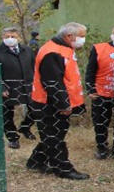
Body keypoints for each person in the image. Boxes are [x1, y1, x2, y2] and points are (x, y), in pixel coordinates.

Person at [26, 22, 89, 180]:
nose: (83, 39)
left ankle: (36, 161)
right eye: (81, 36)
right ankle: (63, 168)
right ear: (69, 36)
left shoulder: (64, 48)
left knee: (53, 134)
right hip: (48, 103)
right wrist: (63, 104)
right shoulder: (53, 52)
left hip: (56, 101)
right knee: (54, 136)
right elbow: (53, 82)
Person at [85, 25, 114, 159]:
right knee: (100, 123)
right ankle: (101, 148)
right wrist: (91, 89)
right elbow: (90, 71)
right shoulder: (99, 48)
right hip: (101, 93)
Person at [0, 27, 37, 149]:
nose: (10, 39)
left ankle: (25, 128)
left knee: (36, 109)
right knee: (7, 114)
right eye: (7, 37)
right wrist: (1, 87)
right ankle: (12, 138)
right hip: (8, 88)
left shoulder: (27, 50)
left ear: (19, 37)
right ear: (2, 38)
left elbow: (34, 66)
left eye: (13, 36)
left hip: (27, 86)